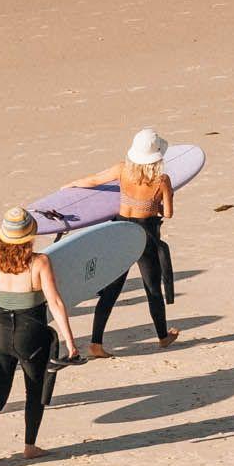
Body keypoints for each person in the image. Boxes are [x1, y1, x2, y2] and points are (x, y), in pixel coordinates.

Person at [0, 207, 76, 466]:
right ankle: (29, 446)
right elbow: (56, 302)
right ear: (29, 237)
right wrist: (70, 342)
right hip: (31, 336)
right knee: (34, 392)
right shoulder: (39, 263)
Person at [66, 127, 181, 358]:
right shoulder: (162, 180)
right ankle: (162, 336)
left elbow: (94, 180)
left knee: (111, 290)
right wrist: (155, 204)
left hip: (119, 232)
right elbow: (167, 213)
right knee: (152, 288)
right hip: (144, 235)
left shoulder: (122, 170)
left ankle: (96, 344)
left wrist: (70, 186)